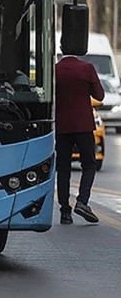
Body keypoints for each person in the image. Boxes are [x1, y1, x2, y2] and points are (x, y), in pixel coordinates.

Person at [55, 49, 105, 225]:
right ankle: (82, 202)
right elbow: (99, 95)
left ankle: (65, 212)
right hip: (83, 126)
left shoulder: (55, 70)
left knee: (63, 169)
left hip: (61, 126)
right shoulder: (87, 68)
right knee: (89, 165)